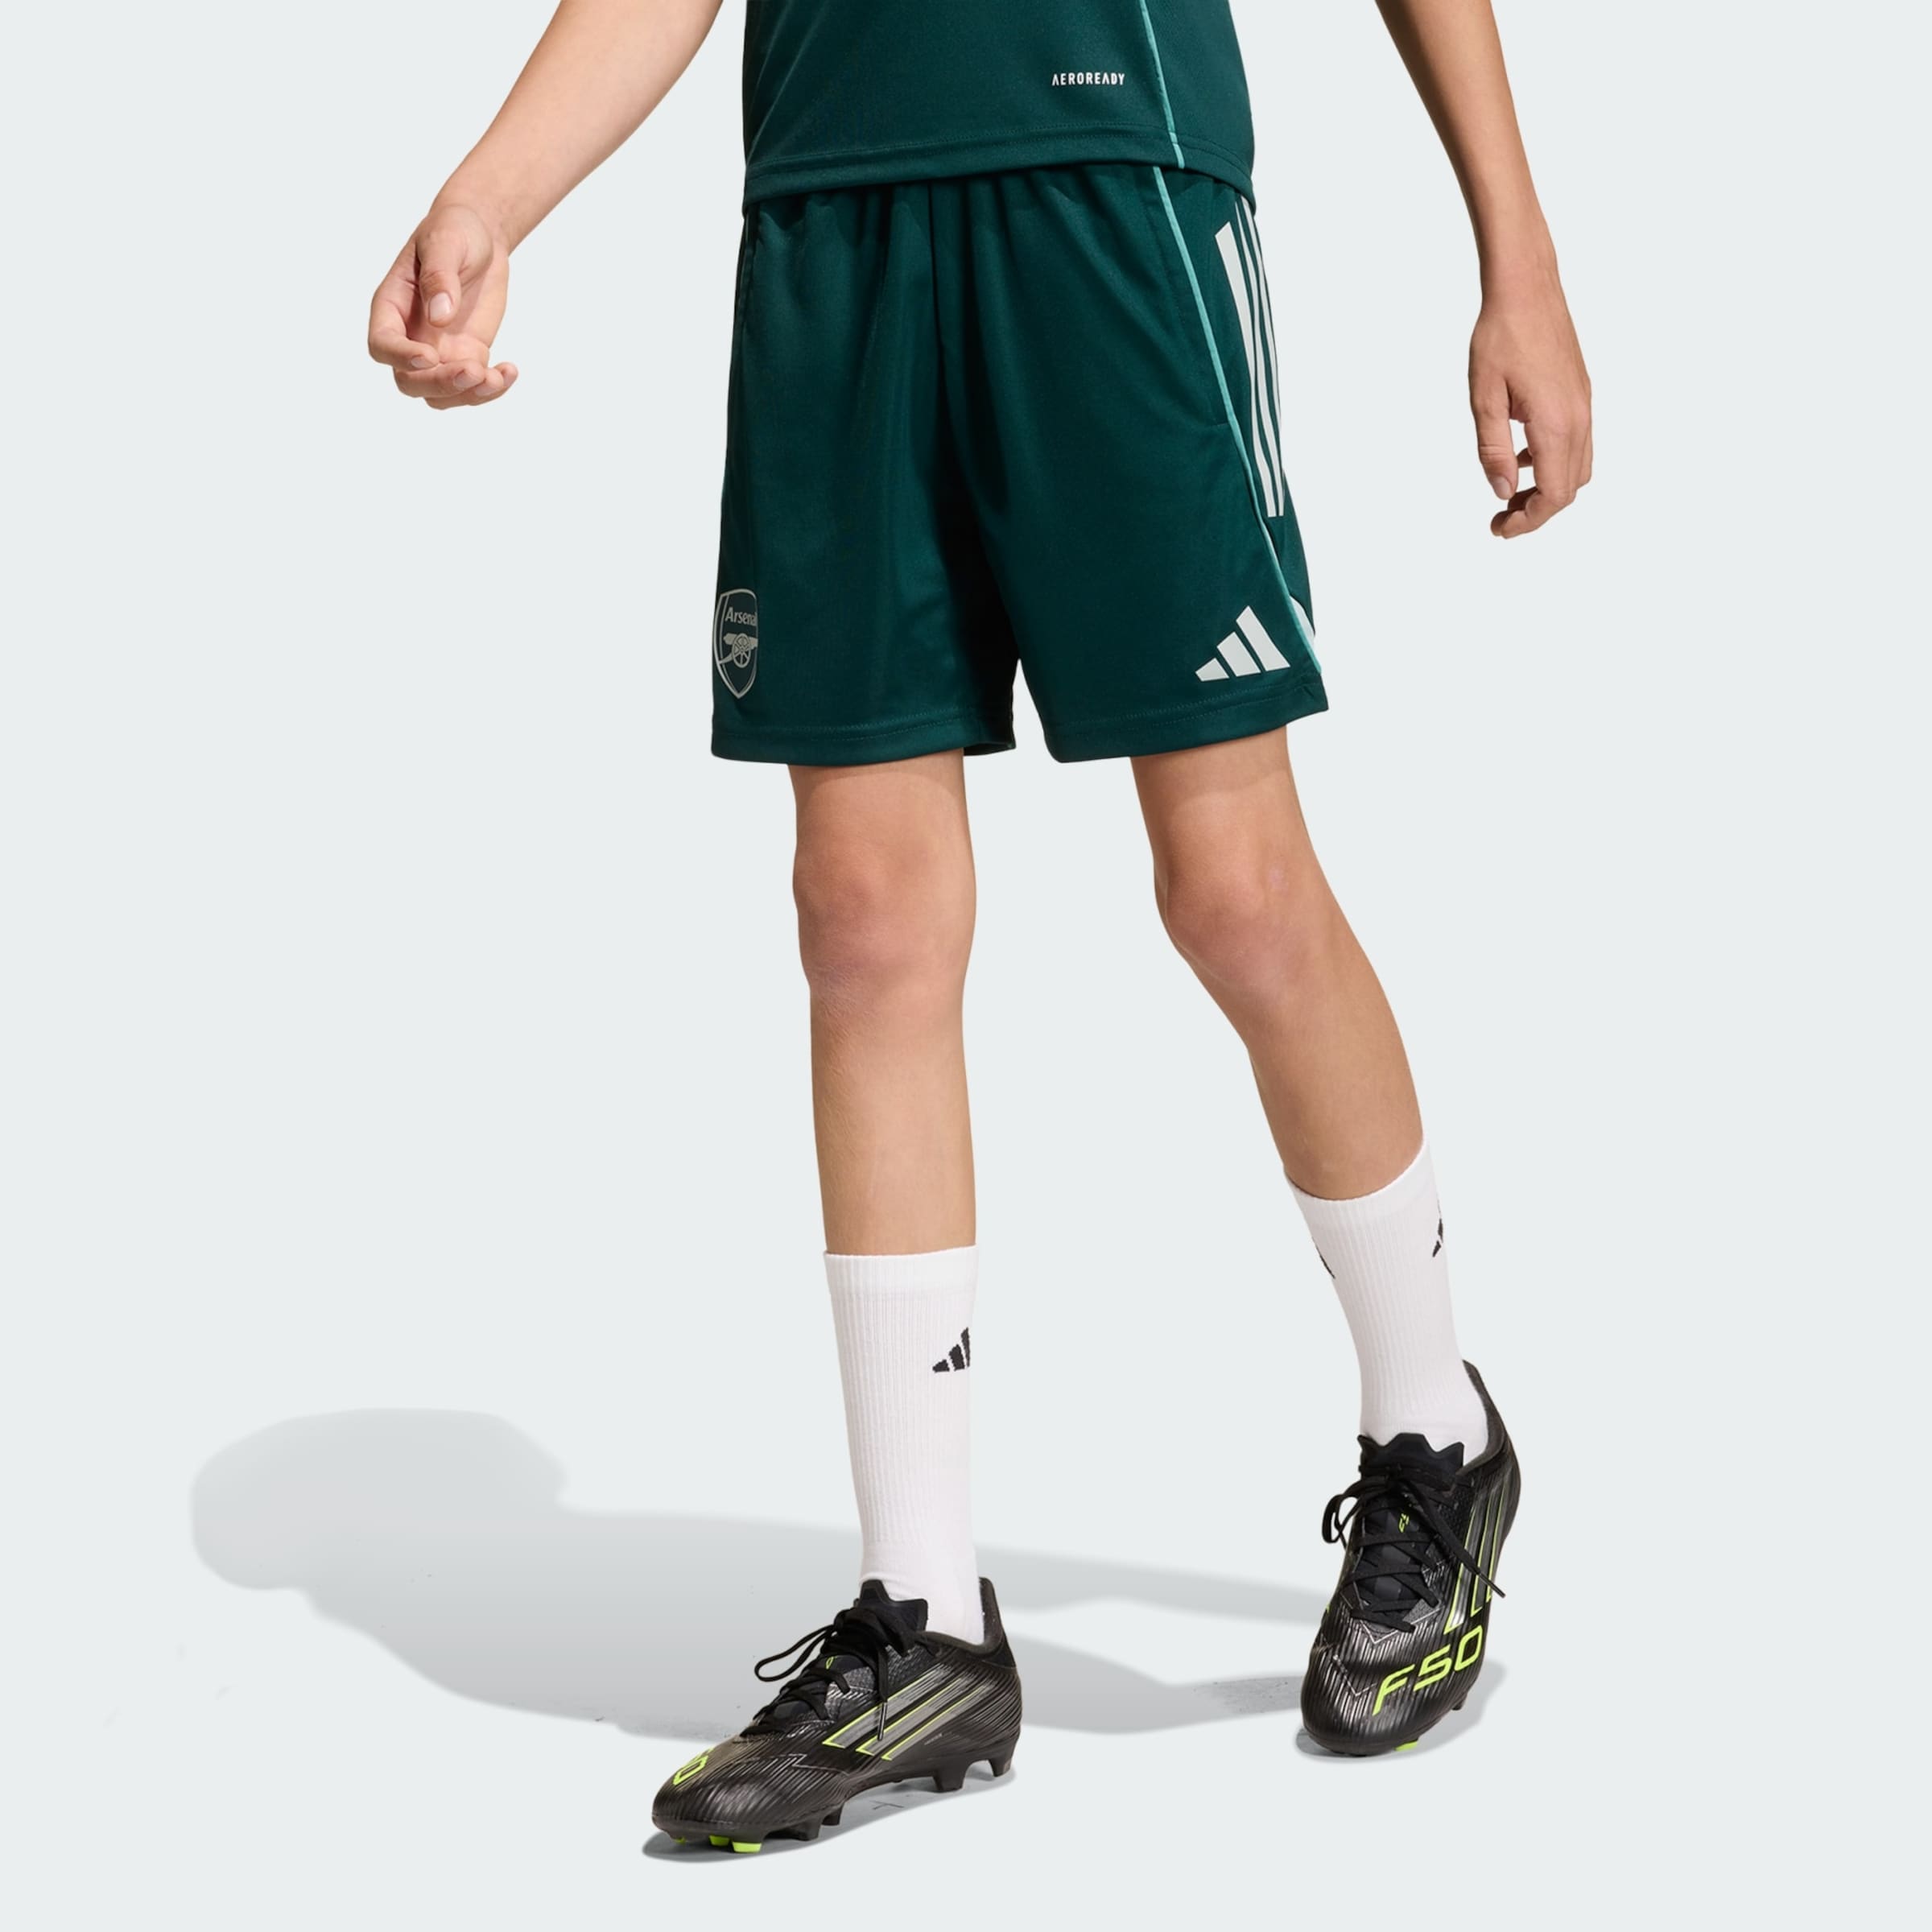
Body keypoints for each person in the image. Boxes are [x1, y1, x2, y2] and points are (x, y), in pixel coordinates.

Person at [369, 0, 1590, 1852]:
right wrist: (490, 195)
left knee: (1236, 892)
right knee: (863, 919)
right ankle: (925, 1626)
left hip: (1114, 189)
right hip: (834, 211)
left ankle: (1438, 1434)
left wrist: (1519, 257)